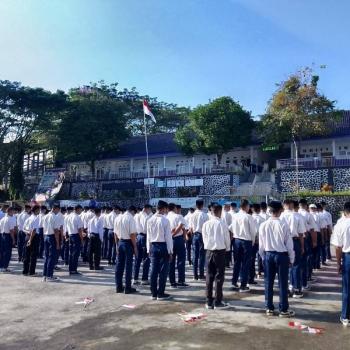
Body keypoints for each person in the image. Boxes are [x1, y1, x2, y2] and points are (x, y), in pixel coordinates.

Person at [259, 201, 295, 318]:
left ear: (270, 211)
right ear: (280, 210)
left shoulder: (263, 225)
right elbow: (289, 244)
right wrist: (291, 258)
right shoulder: (283, 225)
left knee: (268, 282)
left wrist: (264, 257)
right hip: (281, 256)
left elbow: (261, 246)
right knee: (283, 283)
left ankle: (269, 307)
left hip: (268, 254)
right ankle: (283, 309)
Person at [202, 204, 231, 309]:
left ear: (211, 211)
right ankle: (218, 301)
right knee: (219, 277)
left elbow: (204, 238)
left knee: (209, 276)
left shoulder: (206, 224)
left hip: (209, 251)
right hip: (219, 252)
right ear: (219, 212)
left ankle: (208, 301)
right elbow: (226, 238)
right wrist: (227, 249)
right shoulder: (222, 224)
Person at [147, 200, 173, 300]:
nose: (167, 210)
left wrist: (148, 249)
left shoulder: (150, 220)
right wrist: (170, 251)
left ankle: (153, 293)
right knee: (163, 271)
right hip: (163, 246)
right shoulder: (165, 221)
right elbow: (168, 238)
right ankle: (160, 293)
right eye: (166, 208)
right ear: (163, 208)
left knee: (153, 270)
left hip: (153, 246)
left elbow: (148, 236)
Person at [280, 199, 306, 298]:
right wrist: (302, 246)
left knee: (284, 266)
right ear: (291, 205)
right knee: (296, 265)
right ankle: (296, 289)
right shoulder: (297, 216)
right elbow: (300, 234)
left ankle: (287, 288)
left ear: (284, 205)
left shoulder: (280, 216)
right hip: (294, 241)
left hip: (282, 243)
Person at [229, 199, 256, 292]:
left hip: (237, 240)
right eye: (248, 206)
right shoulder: (248, 217)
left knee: (237, 262)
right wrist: (252, 241)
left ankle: (234, 281)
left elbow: (231, 228)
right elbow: (253, 231)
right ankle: (243, 285)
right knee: (245, 263)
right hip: (246, 241)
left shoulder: (235, 216)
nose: (249, 208)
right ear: (246, 206)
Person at [331, 201, 350, 326]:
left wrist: (338, 263)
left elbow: (338, 247)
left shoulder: (341, 225)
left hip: (348, 257)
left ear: (344, 211)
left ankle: (345, 317)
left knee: (347, 288)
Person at [114, 206, 138, 294]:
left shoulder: (118, 218)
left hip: (120, 242)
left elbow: (115, 234)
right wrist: (135, 247)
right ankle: (128, 287)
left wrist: (116, 245)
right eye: (134, 213)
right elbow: (132, 234)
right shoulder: (130, 218)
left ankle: (118, 286)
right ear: (132, 211)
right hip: (128, 243)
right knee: (128, 266)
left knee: (119, 265)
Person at [167, 203, 188, 288]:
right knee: (181, 260)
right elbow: (181, 226)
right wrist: (176, 234)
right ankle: (181, 280)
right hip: (178, 239)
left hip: (169, 240)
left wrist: (170, 235)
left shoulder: (166, 217)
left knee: (171, 261)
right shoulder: (178, 216)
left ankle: (172, 282)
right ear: (175, 208)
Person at [189, 199, 209, 280]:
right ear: (202, 205)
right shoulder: (205, 215)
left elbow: (190, 228)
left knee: (195, 255)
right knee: (202, 256)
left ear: (196, 205)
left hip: (194, 235)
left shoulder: (192, 215)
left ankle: (195, 275)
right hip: (202, 235)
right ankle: (201, 274)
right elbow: (207, 228)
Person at [133, 204, 152, 285]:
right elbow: (146, 228)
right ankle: (144, 279)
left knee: (137, 258)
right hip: (145, 237)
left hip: (138, 237)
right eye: (150, 209)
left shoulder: (137, 216)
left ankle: (135, 278)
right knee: (146, 259)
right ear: (147, 209)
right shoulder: (146, 217)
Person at [42, 204, 61, 282]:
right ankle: (49, 276)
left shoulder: (45, 216)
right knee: (52, 257)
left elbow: (43, 228)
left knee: (46, 257)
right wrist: (57, 243)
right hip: (52, 237)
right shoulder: (54, 217)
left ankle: (45, 275)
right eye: (58, 210)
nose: (58, 211)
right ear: (55, 209)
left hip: (46, 236)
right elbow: (56, 231)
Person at [66, 205, 84, 275]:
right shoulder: (77, 217)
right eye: (80, 210)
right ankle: (74, 270)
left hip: (70, 235)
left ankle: (71, 269)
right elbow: (79, 229)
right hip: (76, 236)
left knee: (71, 254)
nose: (81, 211)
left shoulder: (69, 216)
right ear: (78, 209)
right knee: (75, 254)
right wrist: (82, 239)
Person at [22, 206, 41, 276]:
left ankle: (25, 271)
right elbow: (34, 230)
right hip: (33, 237)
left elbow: (23, 229)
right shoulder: (36, 218)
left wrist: (28, 233)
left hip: (27, 236)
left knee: (27, 254)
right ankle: (31, 272)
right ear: (36, 210)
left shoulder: (28, 218)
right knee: (33, 255)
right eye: (39, 210)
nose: (39, 211)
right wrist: (30, 239)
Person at [250, 203, 265, 284]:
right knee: (260, 256)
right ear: (259, 209)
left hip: (251, 240)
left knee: (251, 259)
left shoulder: (250, 218)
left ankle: (252, 276)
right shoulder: (262, 219)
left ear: (252, 209)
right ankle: (260, 272)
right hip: (260, 240)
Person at [0, 207, 16, 273]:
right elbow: (11, 230)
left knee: (2, 252)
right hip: (7, 236)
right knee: (7, 253)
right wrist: (13, 239)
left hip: (2, 235)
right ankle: (5, 267)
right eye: (12, 211)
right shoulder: (10, 219)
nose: (13, 213)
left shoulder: (2, 219)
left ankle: (1, 266)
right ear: (9, 212)